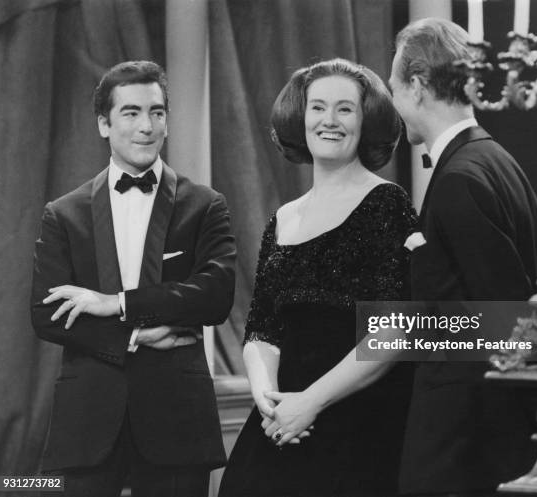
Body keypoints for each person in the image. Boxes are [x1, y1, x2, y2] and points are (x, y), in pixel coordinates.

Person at [31, 61, 236, 497]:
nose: (147, 126)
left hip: (178, 422)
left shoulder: (205, 205)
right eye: (131, 113)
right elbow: (46, 316)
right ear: (104, 124)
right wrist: (136, 337)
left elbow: (216, 296)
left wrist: (119, 304)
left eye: (157, 112)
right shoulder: (63, 214)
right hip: (89, 420)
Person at [218, 58, 416, 497]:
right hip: (281, 417)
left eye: (345, 109)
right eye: (318, 107)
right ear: (300, 117)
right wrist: (268, 400)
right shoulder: (282, 218)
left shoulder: (387, 203)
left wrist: (310, 402)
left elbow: (392, 333)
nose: (329, 120)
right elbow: (261, 329)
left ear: (367, 122)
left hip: (357, 419)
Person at [389, 18, 537, 496]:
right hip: (480, 429)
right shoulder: (494, 158)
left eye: (395, 88)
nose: (397, 105)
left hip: (466, 438)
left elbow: (503, 321)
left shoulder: (461, 177)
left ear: (417, 87)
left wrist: (381, 333)